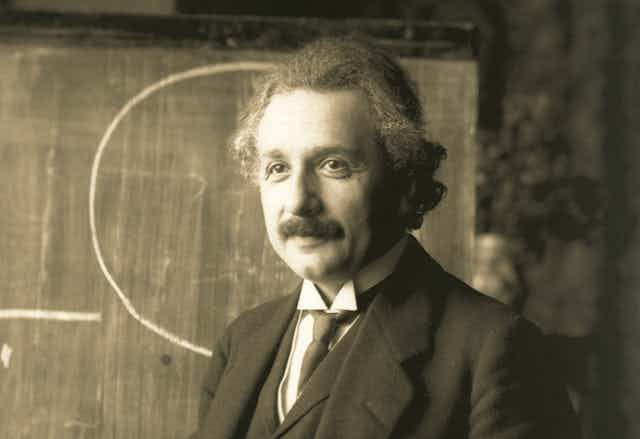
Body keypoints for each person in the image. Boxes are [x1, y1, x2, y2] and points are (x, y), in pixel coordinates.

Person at [191, 37, 579, 439]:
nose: (298, 202)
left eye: (333, 165)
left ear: (405, 182)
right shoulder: (241, 342)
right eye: (278, 168)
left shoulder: (496, 349)